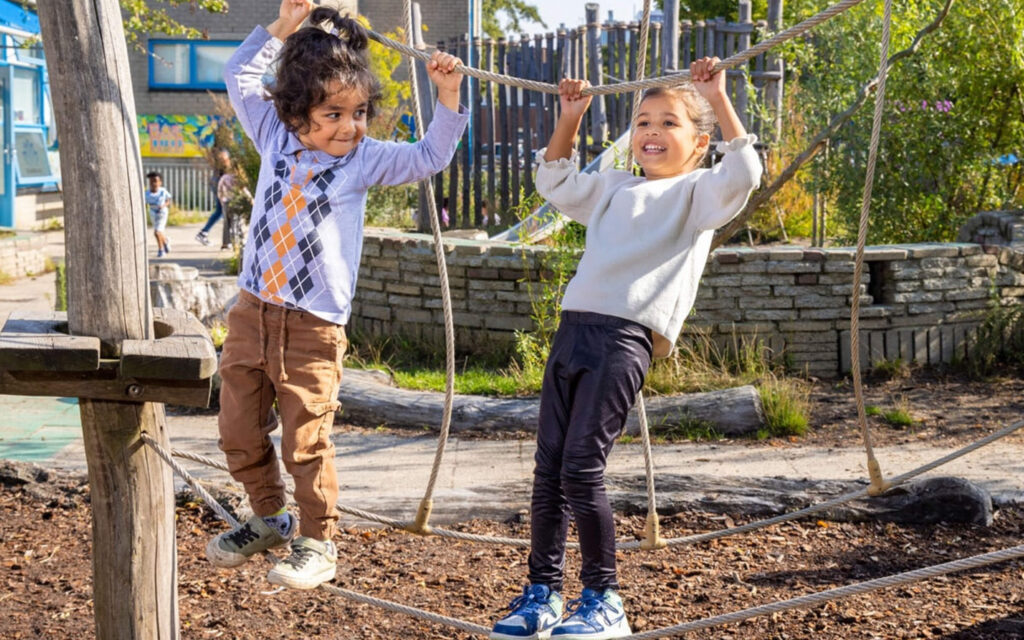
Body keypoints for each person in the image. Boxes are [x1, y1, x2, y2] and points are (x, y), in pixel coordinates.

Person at [490, 58, 762, 640]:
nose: (652, 132)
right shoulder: (615, 187)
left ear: (700, 142)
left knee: (582, 469)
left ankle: (603, 599)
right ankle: (543, 592)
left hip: (624, 338)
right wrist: (570, 117)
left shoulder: (699, 196)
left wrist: (717, 96)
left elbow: (745, 172)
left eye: (669, 122)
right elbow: (556, 182)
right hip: (573, 330)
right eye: (642, 122)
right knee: (549, 471)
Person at [205, 0, 467, 591]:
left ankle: (318, 543)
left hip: (314, 325)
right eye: (333, 114)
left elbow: (430, 157)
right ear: (295, 113)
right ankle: (270, 517)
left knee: (305, 438)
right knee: (238, 429)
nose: (349, 126)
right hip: (252, 312)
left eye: (359, 112)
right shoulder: (272, 133)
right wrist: (282, 26)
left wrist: (446, 96)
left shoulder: (364, 159)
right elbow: (240, 74)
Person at [196, 148, 232, 249]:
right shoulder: (223, 157)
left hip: (220, 183)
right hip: (221, 184)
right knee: (222, 212)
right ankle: (204, 233)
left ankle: (205, 233)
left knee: (220, 212)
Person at [144, 171, 172, 257]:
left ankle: (161, 250)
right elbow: (145, 204)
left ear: (160, 182)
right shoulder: (147, 194)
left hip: (162, 213)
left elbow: (168, 200)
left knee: (157, 232)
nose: (153, 183)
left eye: (155, 181)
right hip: (153, 213)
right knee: (159, 232)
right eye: (151, 181)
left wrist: (163, 205)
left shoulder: (163, 191)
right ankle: (165, 241)